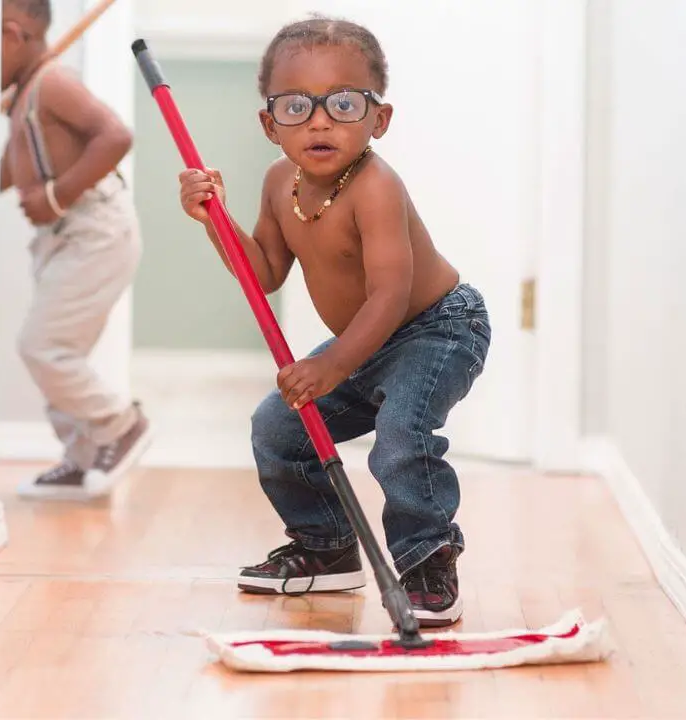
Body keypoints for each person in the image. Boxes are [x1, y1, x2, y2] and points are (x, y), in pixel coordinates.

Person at [176, 15, 491, 627]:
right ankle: (327, 548)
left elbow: (392, 296)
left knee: (402, 434)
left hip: (436, 328)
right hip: (363, 341)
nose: (320, 120)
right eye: (296, 106)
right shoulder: (278, 184)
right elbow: (263, 272)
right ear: (270, 124)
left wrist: (329, 365)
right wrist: (215, 218)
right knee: (279, 427)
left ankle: (427, 558)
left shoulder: (376, 187)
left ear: (380, 119)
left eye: (344, 103)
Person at [0, 0, 150, 499]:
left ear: (11, 35)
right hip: (61, 235)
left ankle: (118, 424)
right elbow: (11, 167)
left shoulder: (51, 83)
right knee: (61, 349)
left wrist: (54, 195)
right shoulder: (25, 91)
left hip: (93, 227)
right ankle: (82, 454)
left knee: (43, 345)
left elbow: (115, 135)